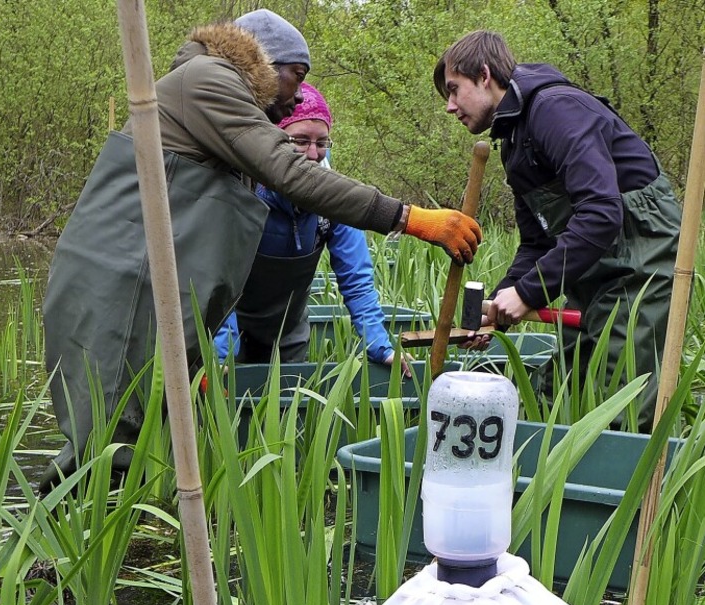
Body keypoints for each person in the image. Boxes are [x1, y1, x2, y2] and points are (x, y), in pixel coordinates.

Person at [40, 9, 482, 489]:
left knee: (149, 421)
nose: (294, 94)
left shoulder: (214, 93)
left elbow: (233, 252)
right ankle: (57, 549)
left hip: (155, 279)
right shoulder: (208, 80)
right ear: (268, 62)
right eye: (297, 75)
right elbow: (288, 174)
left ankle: (124, 543)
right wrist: (408, 218)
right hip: (122, 277)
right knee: (108, 431)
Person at [434, 30, 679, 429]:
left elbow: (601, 211)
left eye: (454, 90)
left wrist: (530, 292)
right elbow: (537, 242)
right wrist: (499, 304)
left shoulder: (554, 109)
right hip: (592, 265)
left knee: (622, 400)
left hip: (639, 259)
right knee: (556, 394)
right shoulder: (513, 139)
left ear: (483, 75)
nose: (449, 106)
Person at [213, 82, 405, 369]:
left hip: (288, 333)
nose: (314, 154)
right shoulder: (244, 192)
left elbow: (357, 279)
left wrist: (381, 347)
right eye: (300, 141)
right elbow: (218, 277)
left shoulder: (336, 201)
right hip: (226, 329)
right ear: (273, 142)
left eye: (322, 142)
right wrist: (219, 353)